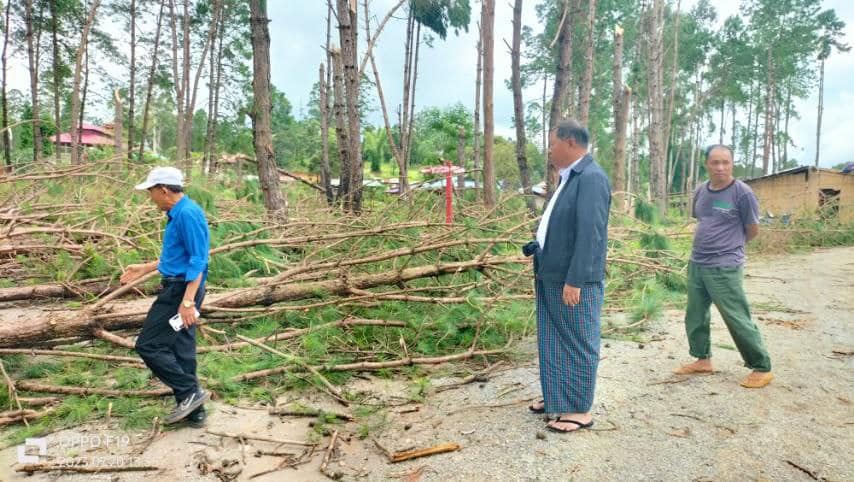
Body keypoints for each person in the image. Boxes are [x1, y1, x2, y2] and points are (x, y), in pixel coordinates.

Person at [522, 119, 611, 433]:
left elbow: (591, 234)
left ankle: (578, 409)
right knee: (553, 339)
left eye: (552, 144)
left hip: (573, 278)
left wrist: (576, 280)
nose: (549, 150)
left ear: (570, 142)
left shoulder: (591, 178)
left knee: (577, 340)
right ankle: (556, 397)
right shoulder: (570, 177)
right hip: (552, 271)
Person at [674, 145, 773, 388]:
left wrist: (730, 248)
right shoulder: (701, 190)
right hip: (698, 263)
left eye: (725, 162)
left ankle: (761, 367)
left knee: (736, 316)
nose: (720, 167)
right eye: (715, 162)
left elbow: (752, 230)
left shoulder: (742, 193)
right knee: (696, 315)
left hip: (725, 266)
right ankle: (702, 359)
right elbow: (704, 220)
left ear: (732, 164)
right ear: (706, 164)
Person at [121, 166, 211, 425]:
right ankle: (195, 412)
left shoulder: (187, 214)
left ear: (163, 190)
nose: (150, 198)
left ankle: (190, 392)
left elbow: (198, 260)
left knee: (148, 345)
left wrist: (187, 301)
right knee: (182, 346)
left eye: (150, 192)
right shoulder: (178, 212)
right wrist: (144, 268)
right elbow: (177, 257)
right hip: (181, 287)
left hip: (181, 290)